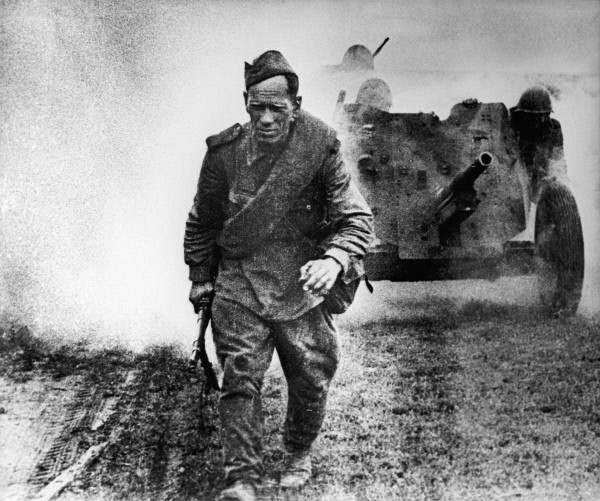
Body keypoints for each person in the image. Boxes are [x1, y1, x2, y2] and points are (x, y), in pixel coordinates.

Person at [184, 50, 374, 501]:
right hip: (240, 281)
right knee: (240, 378)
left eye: (277, 109)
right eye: (257, 107)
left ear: (297, 105)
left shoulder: (320, 148)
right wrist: (201, 278)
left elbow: (357, 218)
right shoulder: (223, 154)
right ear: (245, 102)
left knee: (311, 376)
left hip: (302, 284)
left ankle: (297, 452)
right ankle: (242, 478)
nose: (266, 119)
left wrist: (334, 260)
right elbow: (201, 222)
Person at [510, 85, 568, 188]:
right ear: (522, 114)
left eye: (542, 116)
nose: (538, 121)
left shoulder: (553, 128)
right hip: (513, 181)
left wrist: (557, 177)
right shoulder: (508, 125)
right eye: (532, 117)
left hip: (541, 180)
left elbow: (558, 159)